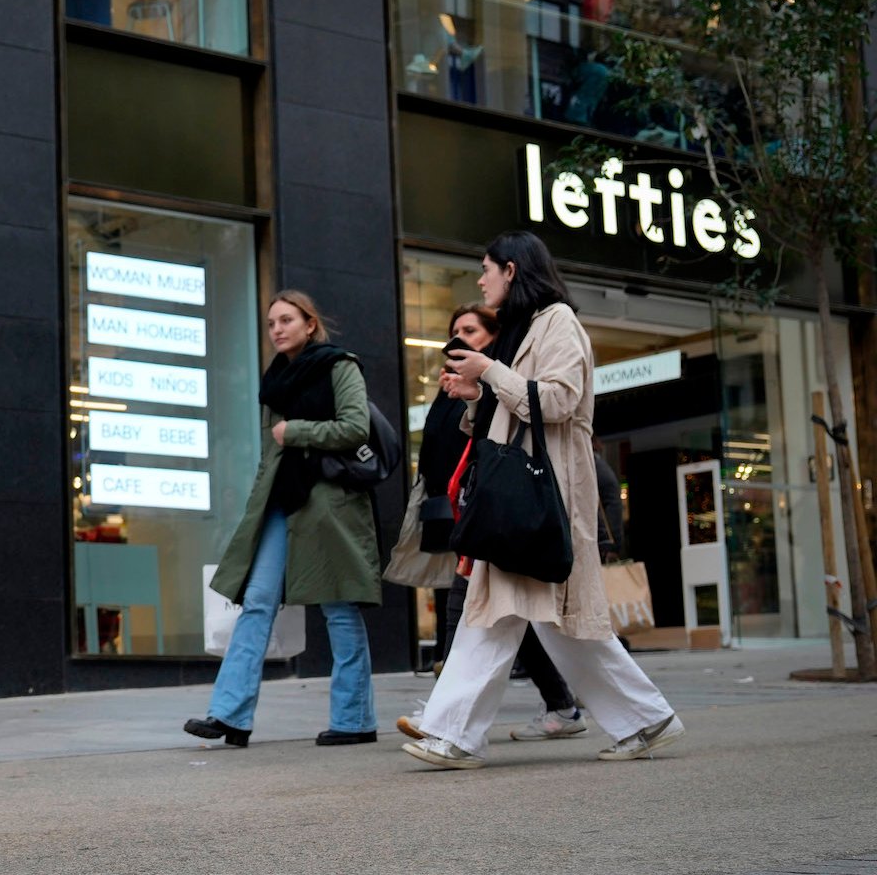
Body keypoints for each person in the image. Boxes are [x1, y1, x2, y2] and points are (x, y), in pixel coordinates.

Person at [405, 231, 681, 770]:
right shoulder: (520, 329)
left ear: (511, 269)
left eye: (486, 269)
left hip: (544, 492)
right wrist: (476, 395)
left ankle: (453, 735)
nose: (481, 280)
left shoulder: (557, 322)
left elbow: (558, 400)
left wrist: (489, 373)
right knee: (536, 616)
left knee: (503, 612)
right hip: (523, 494)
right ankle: (646, 721)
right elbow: (511, 408)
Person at [185, 291, 382, 749]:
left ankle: (355, 719)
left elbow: (356, 427)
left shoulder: (339, 366)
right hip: (281, 500)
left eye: (287, 319)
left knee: (339, 605)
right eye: (271, 322)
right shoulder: (275, 381)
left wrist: (297, 431)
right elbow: (271, 454)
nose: (277, 328)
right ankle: (230, 714)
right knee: (256, 601)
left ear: (310, 324)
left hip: (328, 501)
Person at [385, 304, 496, 668]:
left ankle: (448, 682)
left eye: (470, 330)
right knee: (456, 594)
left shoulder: (494, 384)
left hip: (483, 506)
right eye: (455, 331)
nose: (459, 338)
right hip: (447, 506)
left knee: (485, 601)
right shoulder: (446, 386)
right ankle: (447, 679)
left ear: (492, 338)